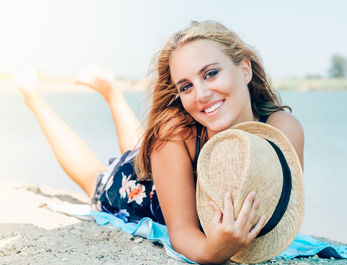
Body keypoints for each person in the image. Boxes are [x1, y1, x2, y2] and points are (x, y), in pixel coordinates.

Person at [17, 21, 304, 264]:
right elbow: (182, 232)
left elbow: (282, 204)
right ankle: (34, 98)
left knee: (142, 147)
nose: (201, 94)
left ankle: (109, 90)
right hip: (142, 189)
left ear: (244, 70)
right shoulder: (175, 132)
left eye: (211, 73)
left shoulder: (281, 129)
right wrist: (213, 252)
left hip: (167, 161)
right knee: (96, 182)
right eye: (186, 86)